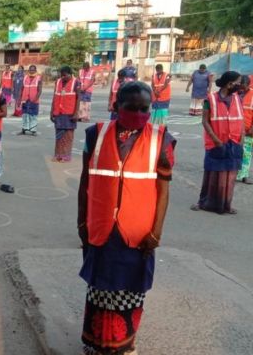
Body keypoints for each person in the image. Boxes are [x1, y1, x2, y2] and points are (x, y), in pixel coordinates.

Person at [77, 81, 176, 355]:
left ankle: (123, 345)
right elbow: (85, 182)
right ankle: (96, 343)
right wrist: (81, 222)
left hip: (137, 232)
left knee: (130, 291)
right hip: (101, 228)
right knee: (99, 288)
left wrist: (156, 232)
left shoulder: (161, 139)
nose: (138, 114)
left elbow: (163, 191)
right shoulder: (94, 134)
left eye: (144, 108)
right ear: (116, 106)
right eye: (130, 108)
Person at [192, 71, 244, 214]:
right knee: (213, 174)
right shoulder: (211, 99)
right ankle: (205, 203)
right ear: (229, 84)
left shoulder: (237, 98)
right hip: (216, 143)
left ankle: (226, 205)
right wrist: (216, 139)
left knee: (230, 175)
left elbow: (241, 119)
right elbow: (205, 121)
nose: (239, 85)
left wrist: (242, 138)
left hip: (234, 142)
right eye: (237, 82)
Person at [50, 66, 80, 163]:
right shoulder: (58, 82)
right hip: (58, 113)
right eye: (61, 75)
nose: (63, 77)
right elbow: (54, 97)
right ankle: (57, 154)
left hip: (70, 114)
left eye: (65, 75)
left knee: (67, 136)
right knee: (58, 135)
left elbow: (78, 98)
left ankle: (66, 155)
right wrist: (51, 112)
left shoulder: (76, 82)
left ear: (70, 74)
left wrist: (76, 113)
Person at [237, 76, 253, 184]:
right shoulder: (235, 94)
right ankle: (233, 174)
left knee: (246, 154)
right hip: (235, 130)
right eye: (240, 86)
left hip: (248, 130)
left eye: (244, 87)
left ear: (248, 85)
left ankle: (244, 176)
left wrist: (252, 128)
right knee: (235, 152)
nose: (241, 89)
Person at [19, 65, 42, 135]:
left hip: (34, 100)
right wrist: (19, 99)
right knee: (24, 115)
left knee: (33, 115)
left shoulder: (39, 78)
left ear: (35, 70)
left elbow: (39, 91)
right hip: (25, 100)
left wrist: (35, 99)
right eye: (30, 70)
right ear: (28, 70)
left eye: (33, 70)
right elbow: (21, 88)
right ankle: (24, 129)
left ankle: (33, 130)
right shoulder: (25, 77)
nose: (32, 71)